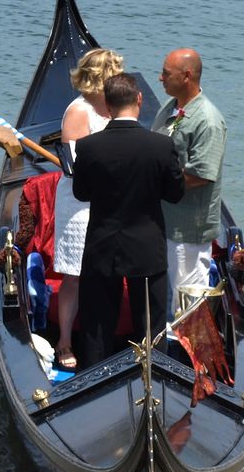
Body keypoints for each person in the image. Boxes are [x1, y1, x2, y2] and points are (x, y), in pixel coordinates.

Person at [72, 72, 185, 367]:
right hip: (147, 245)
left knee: (97, 325)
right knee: (151, 327)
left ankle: (95, 381)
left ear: (107, 106)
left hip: (102, 244)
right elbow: (175, 194)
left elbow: (82, 193)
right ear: (139, 100)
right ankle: (155, 377)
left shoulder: (88, 147)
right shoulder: (160, 146)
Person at [52, 47, 124, 368]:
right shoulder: (79, 111)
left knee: (105, 272)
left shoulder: (113, 109)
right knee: (74, 276)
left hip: (110, 200)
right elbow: (76, 167)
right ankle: (65, 341)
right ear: (101, 78)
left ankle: (101, 337)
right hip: (80, 203)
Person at [151, 48, 227, 316]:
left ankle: (185, 354)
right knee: (166, 294)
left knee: (186, 302)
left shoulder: (208, 120)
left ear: (186, 76)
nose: (160, 78)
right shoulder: (169, 108)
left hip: (188, 228)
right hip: (163, 220)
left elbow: (201, 175)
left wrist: (154, 184)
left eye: (166, 73)